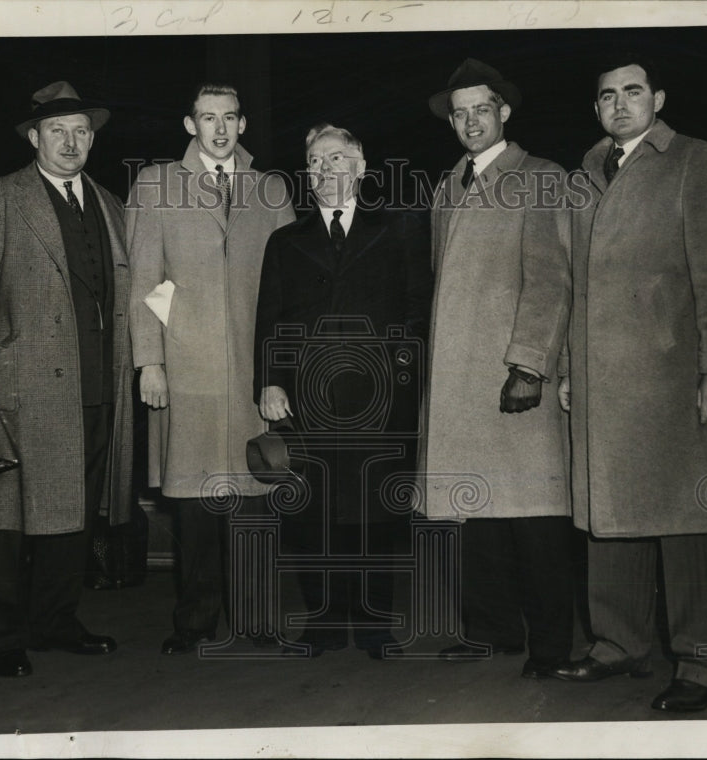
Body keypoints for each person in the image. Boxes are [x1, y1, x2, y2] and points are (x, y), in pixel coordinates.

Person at [551, 56, 707, 713]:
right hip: (603, 384)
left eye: (632, 92)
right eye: (606, 95)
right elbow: (570, 283)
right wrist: (568, 370)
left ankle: (705, 663)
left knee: (687, 520)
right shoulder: (586, 174)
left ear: (657, 98)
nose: (619, 104)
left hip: (674, 378)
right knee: (610, 519)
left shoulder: (697, 160)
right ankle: (620, 645)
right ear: (596, 109)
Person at [0, 81, 134, 677]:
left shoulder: (108, 201)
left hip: (96, 385)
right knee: (9, 516)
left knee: (72, 512)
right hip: (22, 386)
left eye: (82, 131)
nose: (72, 141)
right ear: (34, 138)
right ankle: (1, 635)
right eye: (59, 131)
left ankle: (57, 621)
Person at [420, 58, 575, 678]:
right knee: (475, 510)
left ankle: (550, 645)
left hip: (513, 374)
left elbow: (551, 278)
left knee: (533, 513)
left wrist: (531, 365)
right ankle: (491, 630)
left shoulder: (540, 177)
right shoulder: (446, 184)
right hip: (458, 378)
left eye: (481, 109)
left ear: (504, 112)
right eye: (460, 113)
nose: (469, 121)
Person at [126, 83, 295, 655]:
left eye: (229, 118)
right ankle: (194, 622)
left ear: (243, 125)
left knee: (254, 491)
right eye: (207, 118)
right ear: (189, 123)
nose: (219, 129)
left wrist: (282, 369)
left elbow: (288, 290)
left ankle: (257, 620)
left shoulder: (270, 189)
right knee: (197, 502)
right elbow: (146, 283)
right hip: (188, 367)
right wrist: (150, 361)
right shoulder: (156, 184)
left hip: (253, 373)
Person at [253, 123, 433, 658]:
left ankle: (376, 625)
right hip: (306, 403)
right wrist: (269, 381)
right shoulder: (285, 241)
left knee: (377, 513)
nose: (324, 170)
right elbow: (270, 316)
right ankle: (325, 623)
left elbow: (416, 311)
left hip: (380, 401)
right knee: (313, 513)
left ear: (360, 167)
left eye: (335, 158)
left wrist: (398, 374)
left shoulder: (399, 229)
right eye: (314, 161)